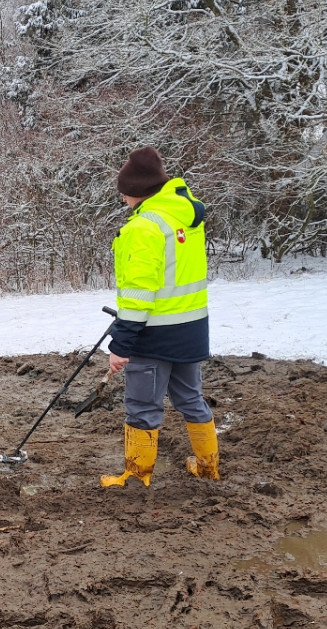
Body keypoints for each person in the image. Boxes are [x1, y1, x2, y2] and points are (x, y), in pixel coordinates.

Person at [101, 147, 219, 487]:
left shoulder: (144, 227)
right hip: (191, 330)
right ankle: (209, 468)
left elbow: (139, 293)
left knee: (141, 406)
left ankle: (137, 478)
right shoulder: (183, 217)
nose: (122, 198)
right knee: (190, 399)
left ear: (136, 191)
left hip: (153, 336)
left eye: (124, 191)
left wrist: (121, 344)